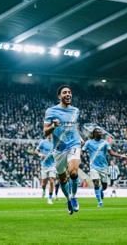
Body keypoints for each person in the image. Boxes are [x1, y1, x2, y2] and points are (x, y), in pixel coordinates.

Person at [43, 85, 82, 215]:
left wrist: (80, 137)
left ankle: (74, 196)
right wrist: (53, 125)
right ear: (59, 96)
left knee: (74, 173)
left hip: (74, 145)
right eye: (65, 92)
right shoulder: (51, 111)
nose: (68, 94)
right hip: (59, 148)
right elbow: (45, 132)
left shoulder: (75, 110)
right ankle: (69, 199)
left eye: (69, 92)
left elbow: (72, 127)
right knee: (63, 179)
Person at [82, 127, 127, 207]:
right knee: (96, 182)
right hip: (94, 167)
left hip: (103, 167)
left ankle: (101, 191)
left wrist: (120, 155)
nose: (101, 133)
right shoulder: (89, 142)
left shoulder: (105, 143)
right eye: (99, 132)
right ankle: (100, 202)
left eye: (101, 132)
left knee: (105, 186)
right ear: (94, 134)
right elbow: (82, 151)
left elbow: (111, 152)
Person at [35, 134, 57, 205]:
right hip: (44, 165)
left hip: (52, 165)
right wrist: (40, 154)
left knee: (51, 181)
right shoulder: (43, 142)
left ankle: (50, 198)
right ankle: (44, 190)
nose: (50, 135)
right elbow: (36, 150)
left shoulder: (55, 142)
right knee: (44, 183)